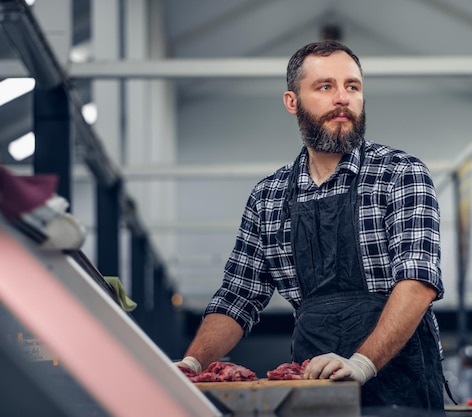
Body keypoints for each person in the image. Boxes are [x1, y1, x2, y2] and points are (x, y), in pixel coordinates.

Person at [177, 40, 445, 411]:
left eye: (352, 86)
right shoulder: (268, 197)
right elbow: (238, 296)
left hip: (401, 390)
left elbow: (417, 282)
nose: (342, 98)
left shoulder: (400, 174)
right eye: (325, 87)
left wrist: (361, 364)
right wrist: (192, 365)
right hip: (312, 389)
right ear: (292, 102)